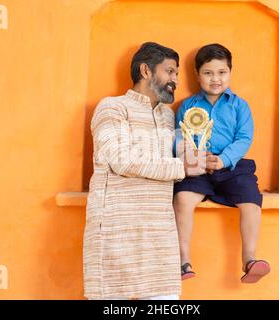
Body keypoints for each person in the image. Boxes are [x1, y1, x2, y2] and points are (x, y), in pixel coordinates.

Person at [83, 42, 206, 300]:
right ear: (146, 71)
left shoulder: (168, 116)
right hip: (116, 230)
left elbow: (180, 151)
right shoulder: (112, 107)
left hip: (159, 235)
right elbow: (121, 159)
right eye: (169, 71)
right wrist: (181, 167)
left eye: (176, 74)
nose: (175, 80)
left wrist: (199, 158)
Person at [173, 43, 270, 283]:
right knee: (182, 198)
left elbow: (244, 137)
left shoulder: (240, 105)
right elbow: (178, 136)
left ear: (230, 72)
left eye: (221, 72)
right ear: (197, 74)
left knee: (250, 200)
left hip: (233, 169)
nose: (215, 78)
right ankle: (183, 261)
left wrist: (224, 159)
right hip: (198, 168)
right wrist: (192, 159)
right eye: (208, 73)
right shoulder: (187, 106)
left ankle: (249, 259)